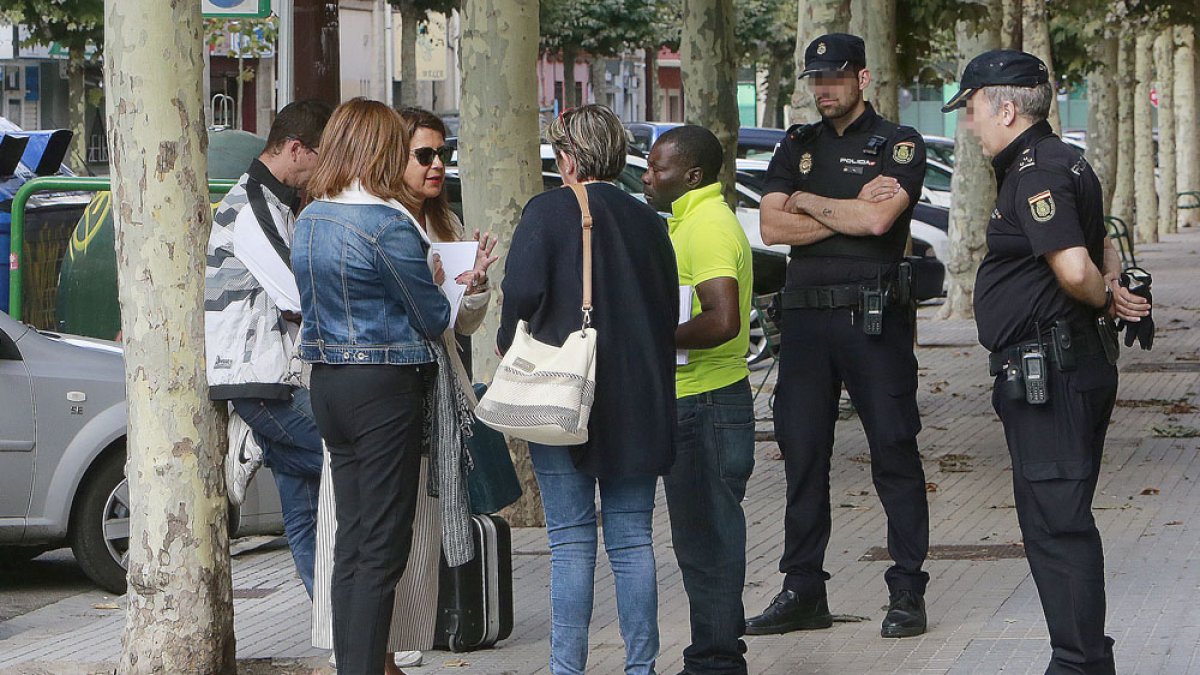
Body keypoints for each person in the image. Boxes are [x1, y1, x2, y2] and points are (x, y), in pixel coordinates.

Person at [942, 49, 1151, 674]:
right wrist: (1110, 283)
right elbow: (1102, 241)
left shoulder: (1034, 171)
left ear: (1005, 107)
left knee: (1057, 525)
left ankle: (1080, 663)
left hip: (1050, 372)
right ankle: (1084, 658)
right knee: (1056, 517)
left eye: (974, 109)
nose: (971, 123)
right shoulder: (1065, 161)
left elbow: (1076, 268)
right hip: (1060, 366)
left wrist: (1106, 293)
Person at [747, 33, 931, 639]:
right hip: (804, 325)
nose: (824, 89)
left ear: (862, 78)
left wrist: (810, 204)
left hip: (872, 321)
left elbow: (880, 220)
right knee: (802, 456)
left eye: (835, 77)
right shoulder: (796, 143)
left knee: (893, 454)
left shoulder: (898, 143)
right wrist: (841, 205)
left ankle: (907, 591)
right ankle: (803, 590)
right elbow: (773, 226)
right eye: (815, 79)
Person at [310, 106, 498, 674]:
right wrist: (438, 283)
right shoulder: (387, 224)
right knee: (383, 550)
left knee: (354, 541)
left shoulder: (312, 217)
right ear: (377, 149)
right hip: (385, 389)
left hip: (329, 383)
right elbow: (429, 315)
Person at [497, 104, 678, 675]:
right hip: (641, 399)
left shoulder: (548, 211)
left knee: (571, 544)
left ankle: (566, 669)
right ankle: (640, 668)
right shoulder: (650, 220)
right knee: (632, 543)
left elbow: (521, 292)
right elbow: (666, 308)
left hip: (565, 395)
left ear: (567, 156)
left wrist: (509, 342)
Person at [204, 99, 332, 598]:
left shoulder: (277, 203)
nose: (323, 170)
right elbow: (297, 290)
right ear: (296, 148)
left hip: (278, 373)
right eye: (321, 156)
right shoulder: (251, 204)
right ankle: (256, 441)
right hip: (261, 378)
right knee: (344, 464)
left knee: (302, 515)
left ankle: (336, 628)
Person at [642, 125, 756, 675]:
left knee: (707, 543)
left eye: (657, 168)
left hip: (707, 404)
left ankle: (715, 661)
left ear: (690, 175)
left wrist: (651, 336)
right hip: (702, 402)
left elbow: (724, 319)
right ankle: (718, 651)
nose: (647, 176)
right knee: (706, 539)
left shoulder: (707, 225)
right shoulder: (690, 220)